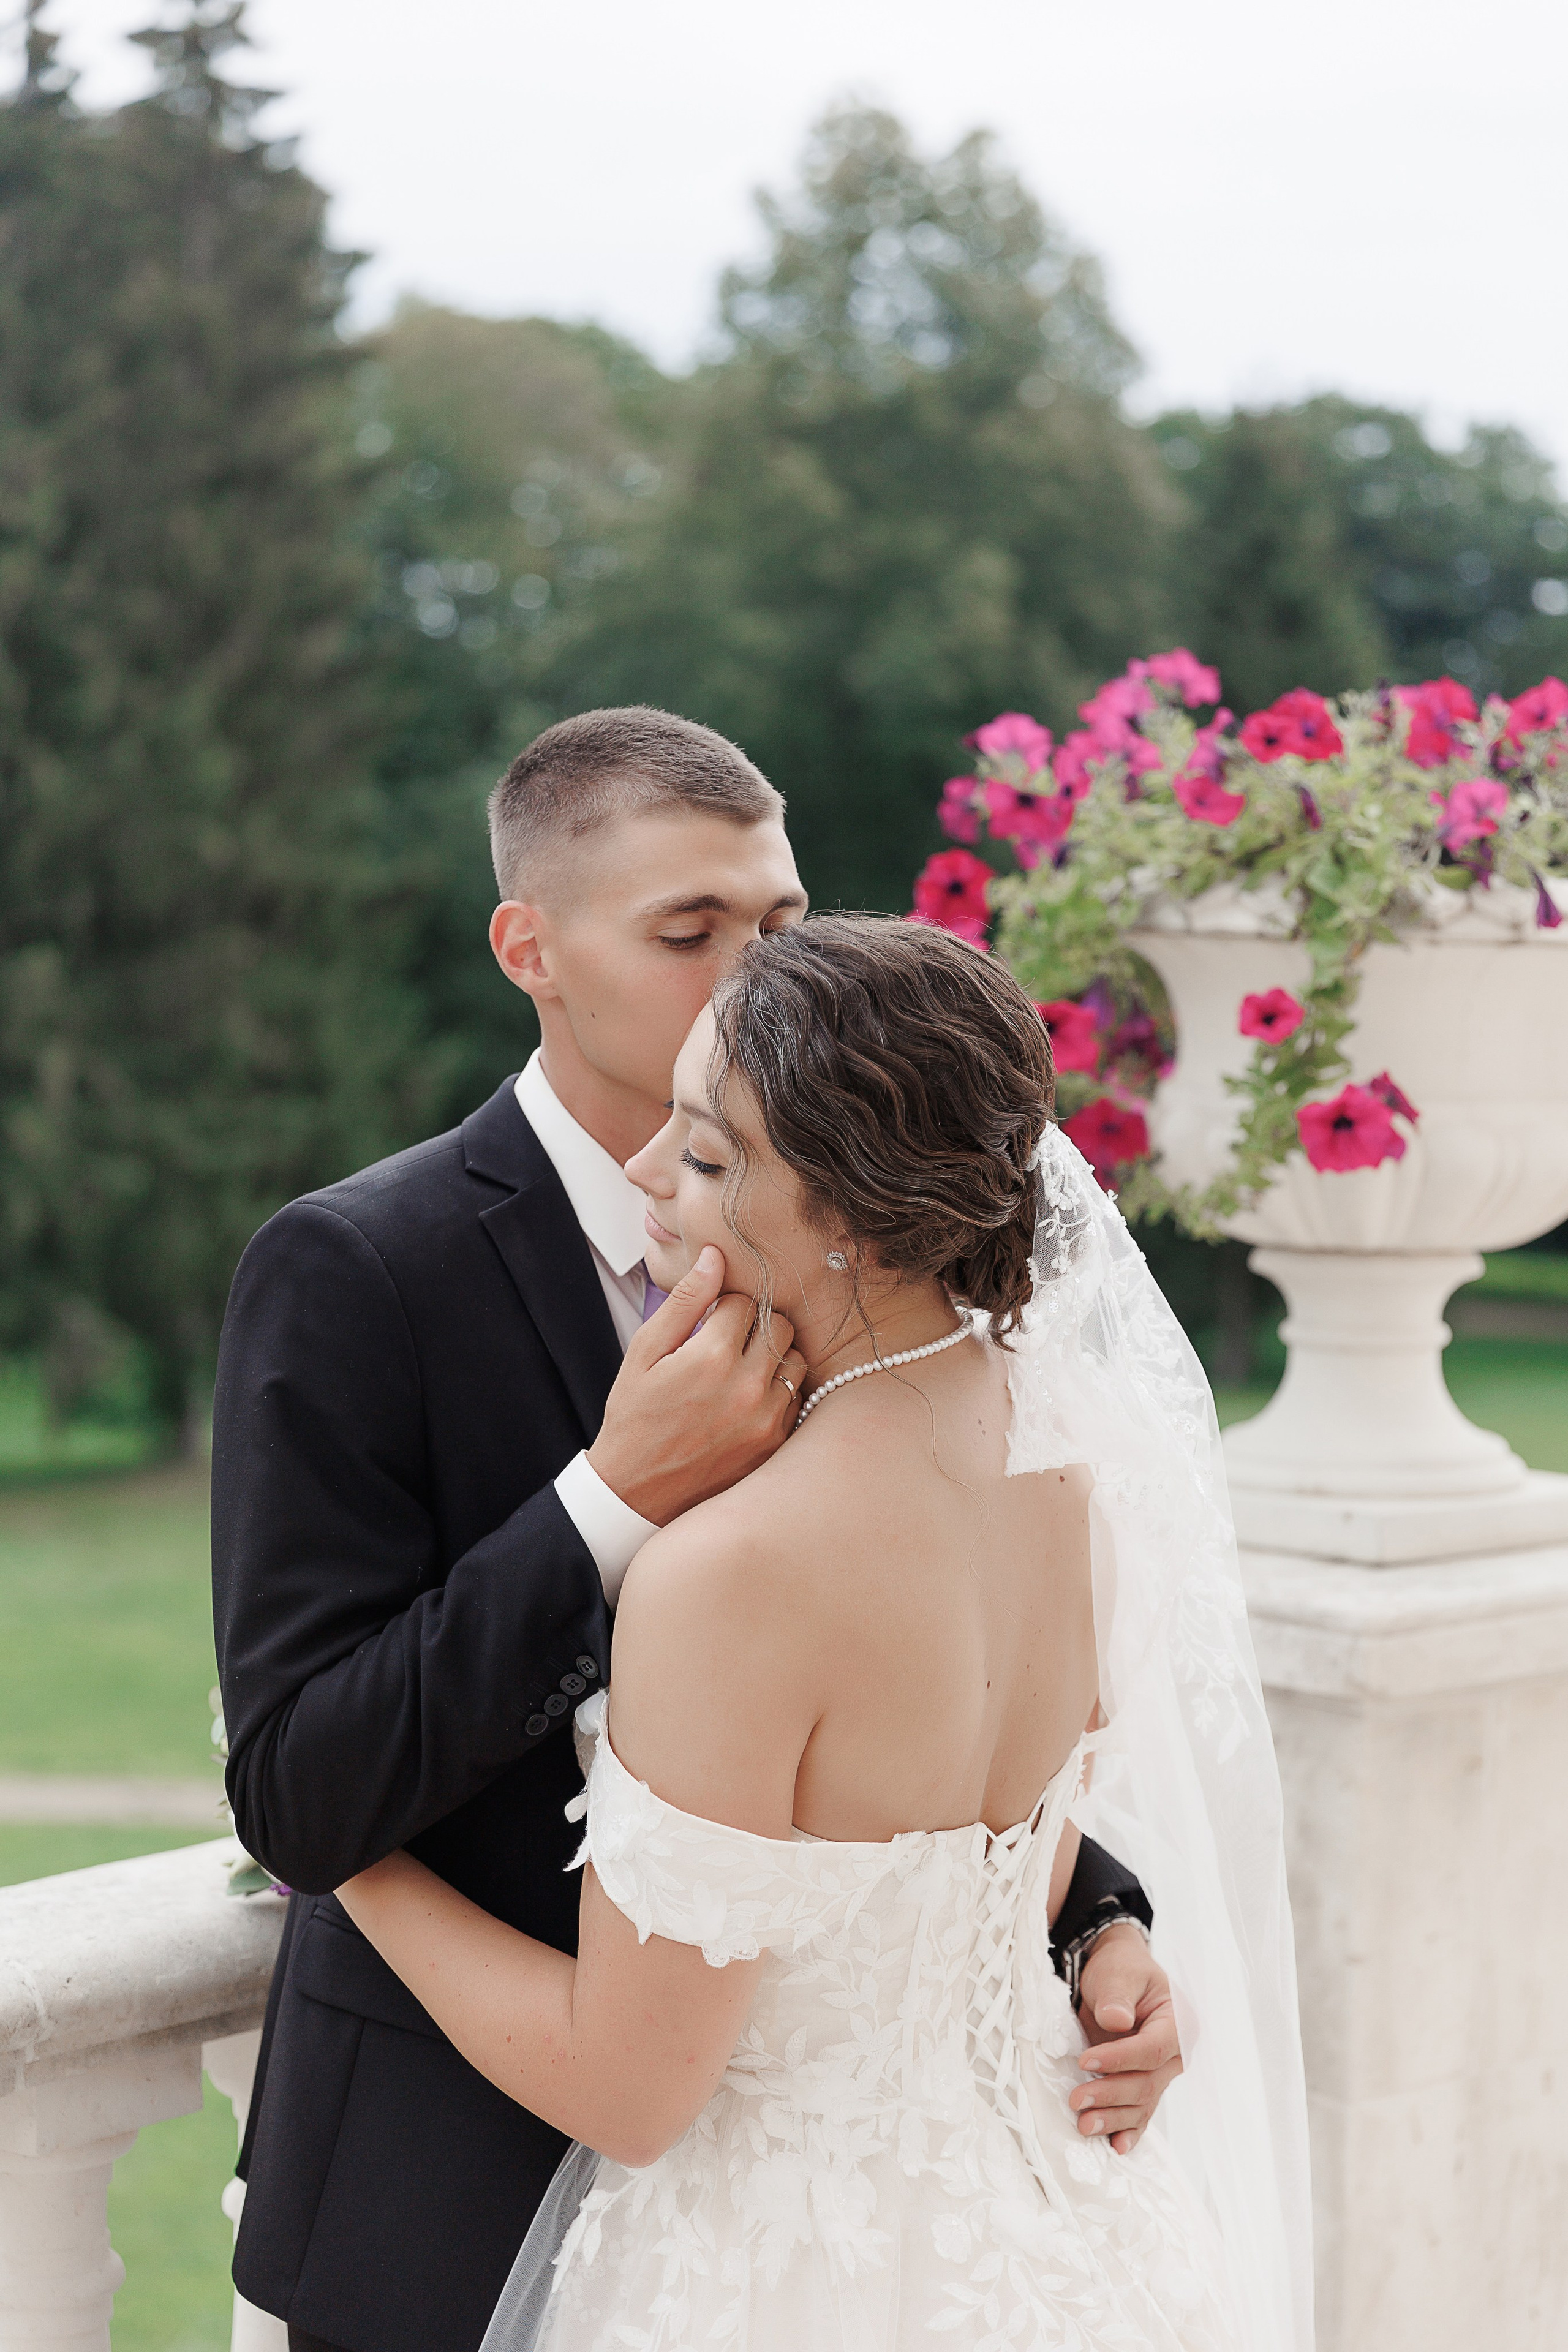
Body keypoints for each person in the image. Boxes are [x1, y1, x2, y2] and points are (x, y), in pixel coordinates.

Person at [212, 710, 1180, 2352]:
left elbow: (915, 1778)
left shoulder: (913, 1333)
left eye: (781, 926)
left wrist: (1102, 1917)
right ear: (534, 947)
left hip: (802, 2231)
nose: (747, 975)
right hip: (435, 2208)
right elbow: (296, 1773)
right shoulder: (358, 1272)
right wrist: (605, 1499)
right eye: (689, 932)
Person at [337, 914, 1312, 2352]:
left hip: (796, 2280)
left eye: (712, 1157)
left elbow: (632, 2093)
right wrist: (1104, 1927)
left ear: (857, 1215)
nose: (648, 1177)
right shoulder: (1079, 1477)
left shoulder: (732, 1573)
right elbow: (996, 1872)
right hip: (1076, 2245)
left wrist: (351, 1862)